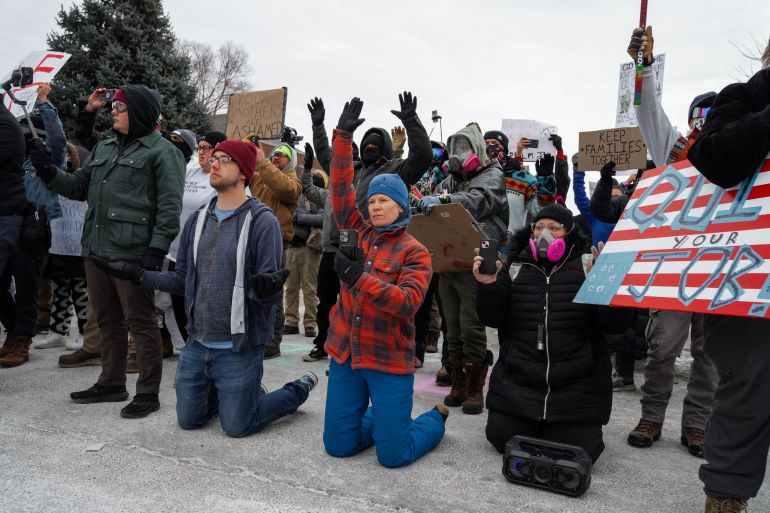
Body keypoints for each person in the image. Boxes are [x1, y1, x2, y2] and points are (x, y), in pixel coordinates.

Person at [138, 139, 317, 437]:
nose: (214, 163)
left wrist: (266, 289)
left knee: (237, 426)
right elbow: (183, 279)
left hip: (238, 347)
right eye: (214, 157)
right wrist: (142, 276)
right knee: (189, 420)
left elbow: (268, 297)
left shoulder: (263, 222)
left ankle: (296, 389)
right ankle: (239, 393)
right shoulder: (197, 220)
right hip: (197, 344)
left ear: (244, 172)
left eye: (225, 159)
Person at [597, 25, 719, 457]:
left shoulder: (743, 154)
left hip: (723, 268)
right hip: (679, 266)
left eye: (716, 115)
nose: (707, 122)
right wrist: (643, 69)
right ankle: (652, 416)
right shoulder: (674, 150)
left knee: (709, 354)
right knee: (663, 344)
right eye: (701, 115)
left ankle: (697, 424)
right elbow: (650, 113)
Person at [29, 84, 185, 418]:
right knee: (107, 319)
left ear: (140, 112)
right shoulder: (106, 148)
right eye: (113, 106)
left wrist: (155, 253)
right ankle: (111, 383)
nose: (113, 111)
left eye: (120, 107)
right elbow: (76, 187)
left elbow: (170, 209)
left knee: (141, 322)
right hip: (96, 249)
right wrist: (46, 170)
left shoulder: (162, 152)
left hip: (132, 254)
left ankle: (147, 391)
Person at [322, 97, 446, 467]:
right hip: (346, 353)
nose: (374, 206)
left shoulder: (416, 252)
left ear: (402, 206)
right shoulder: (356, 231)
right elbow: (341, 189)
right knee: (338, 446)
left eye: (383, 200)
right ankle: (382, 421)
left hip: (388, 360)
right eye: (372, 200)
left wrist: (359, 279)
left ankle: (434, 420)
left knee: (393, 455)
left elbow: (407, 302)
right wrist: (343, 136)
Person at [474, 203, 627, 462]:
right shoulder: (515, 266)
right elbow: (492, 318)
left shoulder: (588, 266)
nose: (544, 233)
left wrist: (608, 293)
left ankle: (554, 425)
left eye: (554, 228)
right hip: (520, 385)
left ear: (568, 233)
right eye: (539, 227)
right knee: (501, 437)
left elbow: (614, 327)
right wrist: (488, 286)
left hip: (575, 389)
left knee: (581, 449)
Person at [688, 60, 770, 513]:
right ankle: (725, 499)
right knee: (745, 388)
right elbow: (714, 159)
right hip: (747, 276)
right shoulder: (742, 96)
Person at [418, 123, 508, 414]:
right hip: (449, 260)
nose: (458, 154)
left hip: (477, 261)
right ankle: (457, 382)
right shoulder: (450, 182)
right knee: (452, 325)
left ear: (477, 150)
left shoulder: (492, 175)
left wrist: (443, 201)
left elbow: (477, 201)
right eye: (455, 148)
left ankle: (474, 388)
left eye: (464, 148)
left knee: (471, 324)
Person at [158, 131, 225, 351]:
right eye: (200, 148)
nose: (202, 152)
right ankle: (184, 348)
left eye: (207, 148)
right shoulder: (190, 170)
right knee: (174, 303)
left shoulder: (224, 177)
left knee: (196, 306)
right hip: (176, 252)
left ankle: (198, 350)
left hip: (204, 256)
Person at [248, 140, 302, 359]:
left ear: (292, 162)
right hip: (251, 240)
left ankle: (272, 341)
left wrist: (263, 162)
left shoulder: (292, 182)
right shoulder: (260, 175)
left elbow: (283, 188)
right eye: (274, 154)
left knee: (272, 290)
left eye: (282, 155)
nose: (276, 157)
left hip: (276, 243)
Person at [0, 85, 29, 361]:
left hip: (7, 214)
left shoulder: (7, 126)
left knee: (20, 281)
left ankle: (21, 335)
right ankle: (13, 329)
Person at [283, 154, 325, 338]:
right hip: (292, 247)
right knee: (291, 288)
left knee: (309, 288)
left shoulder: (321, 197)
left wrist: (300, 218)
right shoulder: (296, 194)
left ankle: (310, 323)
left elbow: (324, 218)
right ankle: (291, 322)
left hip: (311, 248)